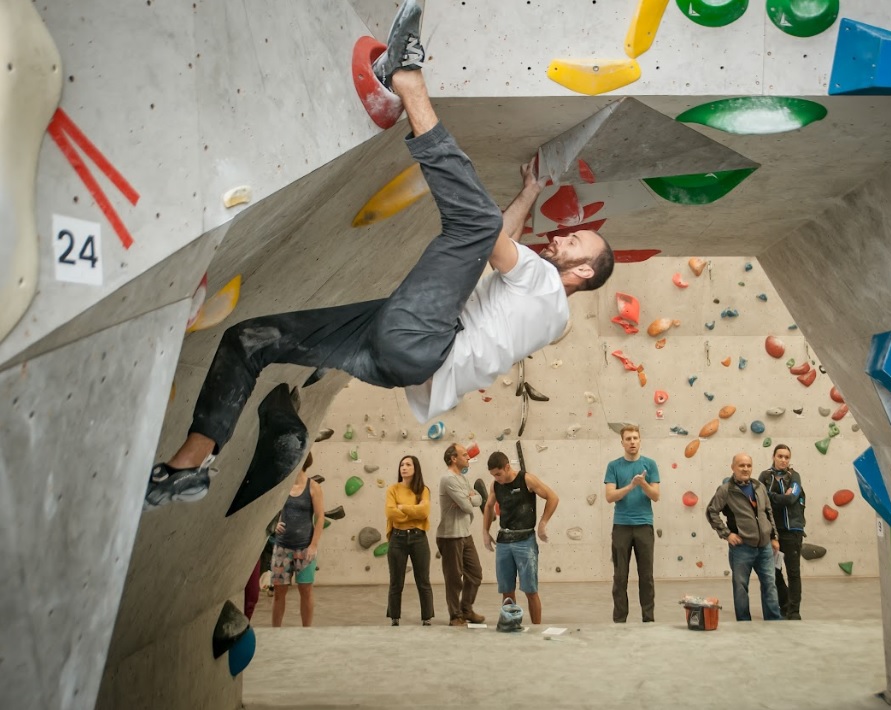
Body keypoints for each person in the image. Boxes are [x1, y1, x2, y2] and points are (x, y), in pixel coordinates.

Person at [143, 0, 615, 508]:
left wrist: (526, 196)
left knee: (472, 223)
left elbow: (487, 234)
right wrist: (529, 191)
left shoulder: (545, 285)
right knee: (249, 340)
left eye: (577, 242)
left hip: (420, 342)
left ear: (583, 271)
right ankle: (189, 466)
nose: (566, 237)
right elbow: (493, 240)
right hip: (401, 358)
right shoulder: (542, 311)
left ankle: (406, 77)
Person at [481, 451, 559, 624]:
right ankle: (511, 625)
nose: (497, 478)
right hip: (504, 541)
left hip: (525, 541)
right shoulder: (495, 485)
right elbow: (488, 506)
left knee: (530, 590)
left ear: (507, 467)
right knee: (507, 590)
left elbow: (553, 497)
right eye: (493, 475)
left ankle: (536, 627)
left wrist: (542, 523)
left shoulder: (527, 479)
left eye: (499, 474)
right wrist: (485, 532)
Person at [705, 453, 782, 622]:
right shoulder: (726, 490)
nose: (745, 469)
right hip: (742, 548)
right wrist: (727, 534)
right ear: (733, 467)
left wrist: (774, 537)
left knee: (770, 585)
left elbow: (768, 512)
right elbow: (711, 511)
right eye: (741, 465)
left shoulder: (758, 486)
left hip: (765, 547)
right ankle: (744, 622)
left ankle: (774, 621)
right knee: (741, 588)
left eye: (748, 465)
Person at [604, 425, 660, 623]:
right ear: (622, 443)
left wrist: (643, 483)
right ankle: (619, 620)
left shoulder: (650, 465)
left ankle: (648, 618)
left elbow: (656, 496)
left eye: (635, 438)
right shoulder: (614, 466)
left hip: (644, 526)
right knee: (620, 577)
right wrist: (630, 486)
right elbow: (610, 496)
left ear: (640, 441)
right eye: (628, 439)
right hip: (621, 527)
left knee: (646, 577)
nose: (632, 442)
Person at [271, 452, 325, 627]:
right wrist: (273, 524)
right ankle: (275, 632)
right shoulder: (282, 485)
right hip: (282, 548)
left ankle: (306, 632)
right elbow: (268, 509)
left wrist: (313, 545)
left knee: (306, 590)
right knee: (279, 592)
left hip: (305, 548)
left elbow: (320, 518)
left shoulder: (313, 487)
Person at [437, 443, 484, 626]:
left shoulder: (462, 479)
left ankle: (466, 610)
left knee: (475, 574)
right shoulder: (448, 479)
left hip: (465, 533)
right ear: (453, 458)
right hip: (450, 536)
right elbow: (467, 506)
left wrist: (469, 497)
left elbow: (478, 499)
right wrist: (469, 498)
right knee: (454, 578)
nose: (468, 457)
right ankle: (455, 616)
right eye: (464, 455)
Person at [385, 454, 435, 626]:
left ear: (416, 469)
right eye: (401, 465)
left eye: (408, 464)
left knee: (423, 580)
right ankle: (394, 617)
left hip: (418, 538)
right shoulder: (393, 489)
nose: (404, 468)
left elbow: (424, 512)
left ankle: (427, 617)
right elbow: (391, 514)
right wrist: (413, 512)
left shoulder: (423, 490)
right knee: (396, 581)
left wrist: (403, 508)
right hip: (397, 539)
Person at [758, 444, 806, 620]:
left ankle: (794, 612)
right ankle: (784, 605)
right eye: (780, 456)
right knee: (774, 572)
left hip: (793, 531)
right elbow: (761, 499)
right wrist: (781, 498)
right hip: (773, 533)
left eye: (787, 457)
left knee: (793, 573)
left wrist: (775, 497)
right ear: (773, 457)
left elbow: (792, 498)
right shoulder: (764, 476)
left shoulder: (795, 476)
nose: (783, 460)